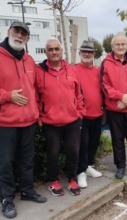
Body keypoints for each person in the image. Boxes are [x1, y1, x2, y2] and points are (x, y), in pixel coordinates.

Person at [0, 21, 47, 219]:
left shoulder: (30, 60)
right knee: (5, 163)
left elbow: (34, 92)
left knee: (27, 160)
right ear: (9, 32)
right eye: (16, 31)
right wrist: (8, 96)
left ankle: (27, 190)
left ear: (28, 38)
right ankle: (7, 199)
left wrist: (37, 114)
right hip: (4, 123)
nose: (19, 35)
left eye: (24, 33)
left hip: (28, 122)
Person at [35, 38, 86, 196]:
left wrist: (80, 113)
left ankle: (72, 179)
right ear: (46, 52)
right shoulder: (39, 71)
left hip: (72, 121)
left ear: (62, 51)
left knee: (73, 152)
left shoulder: (72, 70)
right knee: (53, 154)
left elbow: (79, 94)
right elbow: (35, 97)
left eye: (57, 49)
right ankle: (53, 181)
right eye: (50, 49)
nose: (54, 52)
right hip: (51, 123)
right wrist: (39, 118)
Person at [100, 33, 127, 179]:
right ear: (112, 47)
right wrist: (120, 97)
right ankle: (120, 166)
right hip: (115, 109)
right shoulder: (105, 63)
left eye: (123, 44)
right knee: (117, 139)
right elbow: (104, 85)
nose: (120, 47)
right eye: (117, 44)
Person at [75, 40, 103, 188]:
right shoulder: (73, 70)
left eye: (90, 52)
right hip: (81, 116)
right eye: (84, 51)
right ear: (79, 53)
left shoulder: (98, 72)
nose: (87, 54)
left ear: (94, 55)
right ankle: (80, 172)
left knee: (94, 143)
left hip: (97, 114)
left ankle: (88, 166)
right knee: (83, 144)